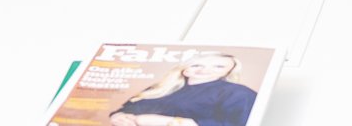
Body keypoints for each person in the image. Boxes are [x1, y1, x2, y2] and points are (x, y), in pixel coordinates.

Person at [109, 52, 259, 126]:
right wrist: (118, 115)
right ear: (185, 69)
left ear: (229, 71)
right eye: (197, 65)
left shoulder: (239, 93)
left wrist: (174, 122)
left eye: (218, 66)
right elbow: (129, 108)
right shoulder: (161, 88)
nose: (204, 70)